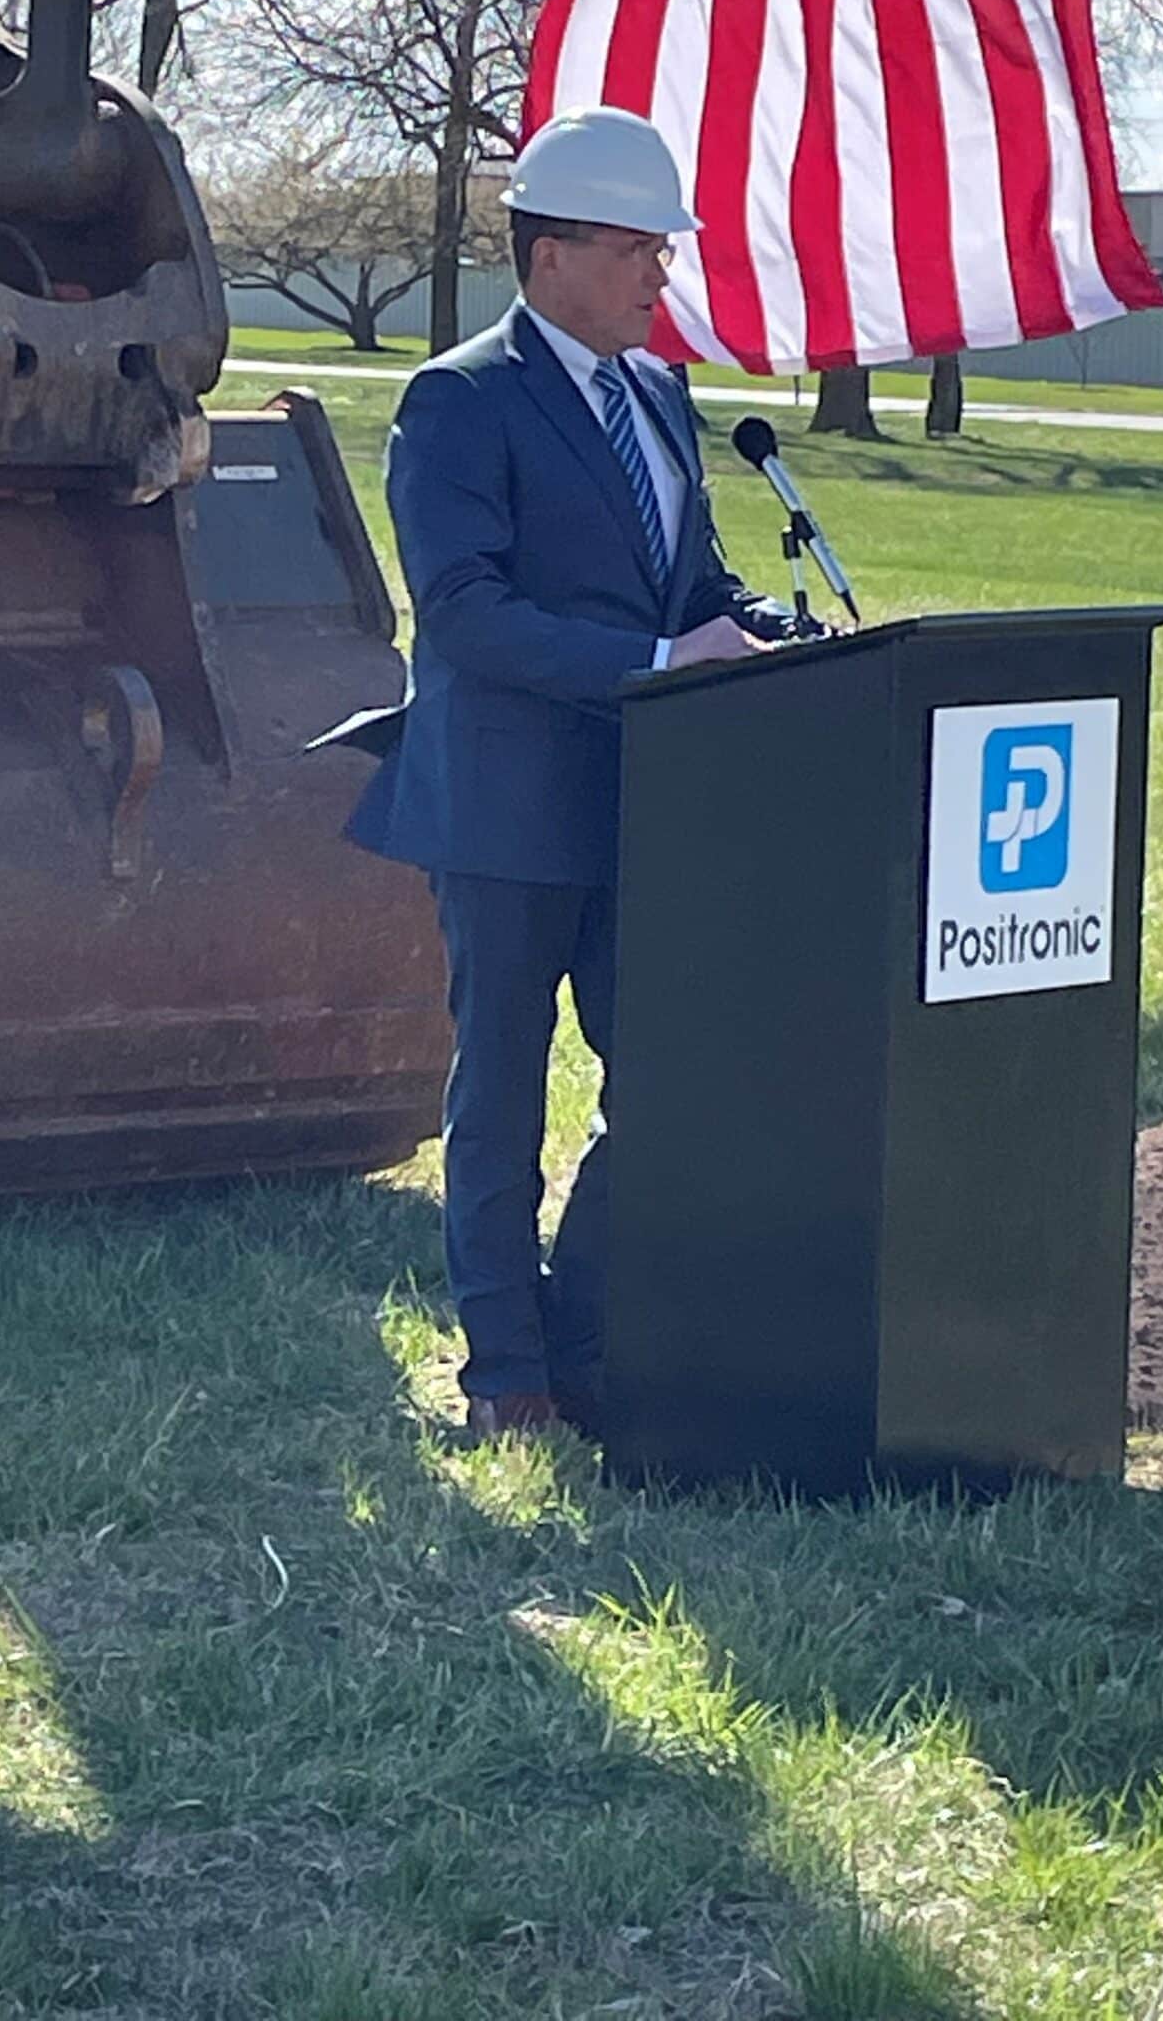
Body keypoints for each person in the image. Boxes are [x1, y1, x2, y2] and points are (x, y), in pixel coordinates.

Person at [336, 105, 795, 1442]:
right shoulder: (460, 400)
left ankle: (581, 1333)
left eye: (665, 250)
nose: (664, 275)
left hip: (645, 808)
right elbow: (465, 615)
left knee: (663, 1074)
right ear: (551, 258)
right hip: (502, 808)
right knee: (501, 1093)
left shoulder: (660, 395)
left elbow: (691, 584)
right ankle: (504, 1375)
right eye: (640, 250)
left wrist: (768, 627)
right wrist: (661, 656)